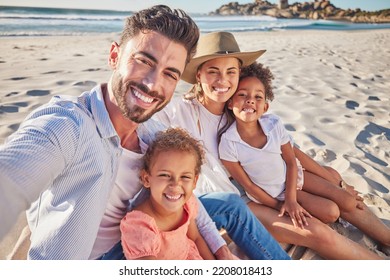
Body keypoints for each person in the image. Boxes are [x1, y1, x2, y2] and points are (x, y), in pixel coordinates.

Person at [0, 6, 286, 260]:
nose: (152, 83)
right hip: (102, 258)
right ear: (114, 55)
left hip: (146, 228)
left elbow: (191, 201)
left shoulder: (152, 130)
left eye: (170, 73)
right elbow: (11, 179)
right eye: (145, 61)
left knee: (230, 204)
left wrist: (222, 252)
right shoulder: (67, 126)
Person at [153, 32, 387, 259]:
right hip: (242, 199)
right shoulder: (179, 112)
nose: (222, 80)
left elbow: (290, 150)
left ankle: (386, 238)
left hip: (273, 177)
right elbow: (144, 121)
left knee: (336, 180)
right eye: (213, 72)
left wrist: (338, 182)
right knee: (314, 231)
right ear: (198, 76)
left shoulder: (241, 106)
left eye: (230, 72)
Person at [121, 128, 218, 260]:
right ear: (146, 179)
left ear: (195, 181)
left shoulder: (186, 204)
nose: (175, 184)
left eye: (185, 177)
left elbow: (195, 237)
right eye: (165, 175)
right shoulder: (140, 226)